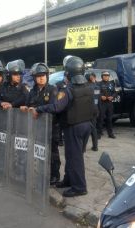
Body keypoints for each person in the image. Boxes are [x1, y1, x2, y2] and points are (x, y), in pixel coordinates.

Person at [32, 56, 94, 197]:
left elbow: (57, 107)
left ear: (68, 73)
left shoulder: (68, 90)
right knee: (72, 155)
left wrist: (39, 109)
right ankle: (68, 180)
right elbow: (95, 110)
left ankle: (79, 187)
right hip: (87, 126)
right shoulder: (90, 88)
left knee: (75, 157)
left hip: (73, 127)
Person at [21, 62, 60, 185]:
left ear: (47, 76)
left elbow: (53, 107)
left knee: (52, 152)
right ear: (34, 78)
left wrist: (38, 109)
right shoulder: (32, 91)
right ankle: (41, 173)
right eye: (38, 76)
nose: (41, 77)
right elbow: (28, 104)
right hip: (37, 128)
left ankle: (55, 175)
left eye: (43, 75)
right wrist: (25, 107)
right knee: (39, 151)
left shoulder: (53, 89)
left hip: (51, 127)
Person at [98, 71, 116, 139]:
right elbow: (96, 93)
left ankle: (110, 133)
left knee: (109, 119)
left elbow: (114, 92)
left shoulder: (111, 84)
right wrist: (101, 96)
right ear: (102, 76)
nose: (106, 77)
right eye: (105, 76)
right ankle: (99, 133)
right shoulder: (99, 84)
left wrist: (112, 97)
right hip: (102, 104)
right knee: (100, 119)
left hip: (109, 103)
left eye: (107, 76)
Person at [86, 72, 99, 151]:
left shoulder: (86, 86)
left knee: (86, 129)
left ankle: (83, 147)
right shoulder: (97, 87)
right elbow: (98, 99)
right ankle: (95, 146)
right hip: (95, 109)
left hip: (87, 110)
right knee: (93, 129)